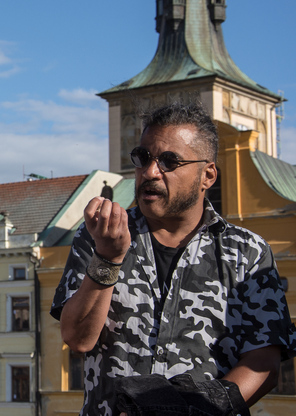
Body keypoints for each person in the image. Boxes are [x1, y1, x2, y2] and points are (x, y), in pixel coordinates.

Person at [51, 102, 296, 416]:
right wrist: (108, 260)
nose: (150, 172)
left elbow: (265, 364)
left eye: (169, 161)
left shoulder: (246, 251)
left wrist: (192, 409)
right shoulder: (98, 237)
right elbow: (78, 339)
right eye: (143, 157)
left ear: (207, 175)